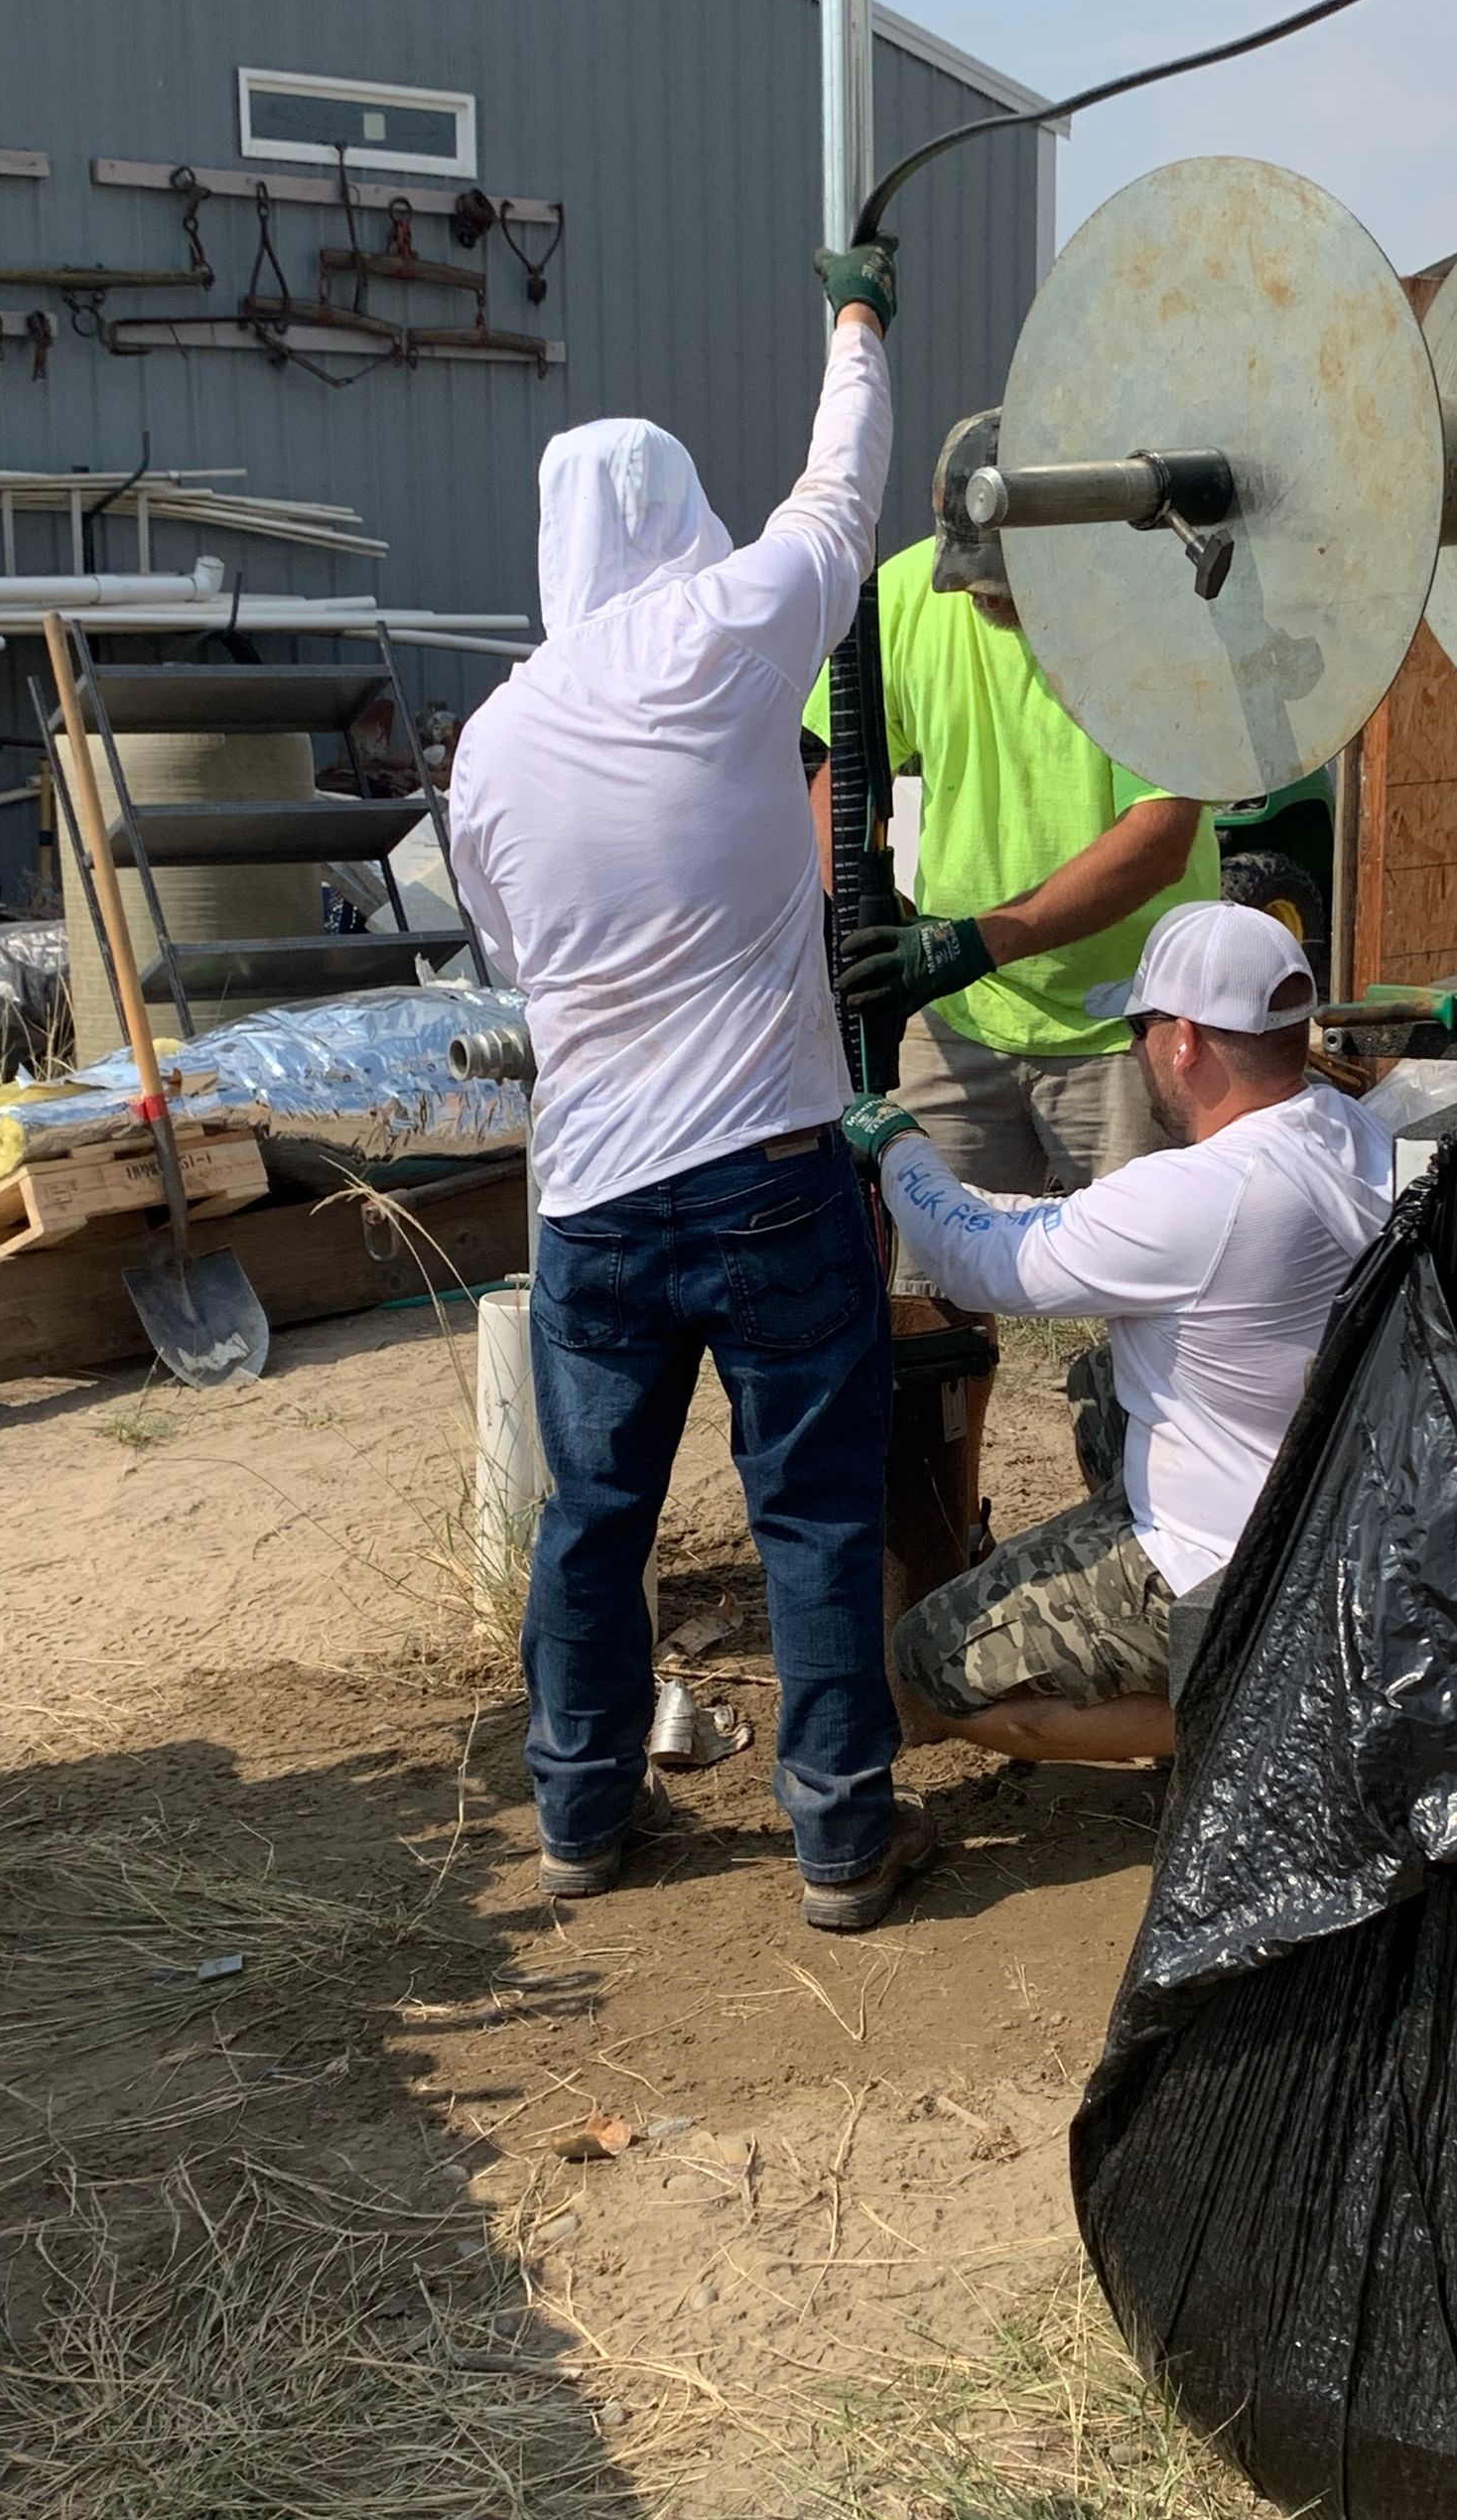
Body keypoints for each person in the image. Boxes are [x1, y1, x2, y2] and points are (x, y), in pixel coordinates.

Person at [448, 236, 935, 1932]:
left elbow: (516, 951)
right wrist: (857, 319)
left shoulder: (492, 740)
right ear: (673, 520)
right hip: (770, 1170)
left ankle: (581, 1817)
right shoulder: (729, 634)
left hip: (591, 1193)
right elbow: (843, 486)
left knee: (594, 1519)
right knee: (811, 1507)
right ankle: (840, 1841)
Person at [842, 902, 1393, 1766]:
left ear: (1184, 1042)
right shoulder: (1346, 1127)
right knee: (1106, 1384)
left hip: (1239, 1563)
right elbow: (1060, 1229)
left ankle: (1269, 1722)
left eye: (1139, 1032)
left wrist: (897, 1143)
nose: (1136, 1055)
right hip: (1337, 1522)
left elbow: (976, 1264)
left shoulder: (1206, 1191)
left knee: (926, 1663)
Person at [804, 409, 1221, 1287]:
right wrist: (860, 896)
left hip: (1127, 1023)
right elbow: (841, 766)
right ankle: (946, 1426)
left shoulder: (1142, 617)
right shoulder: (907, 595)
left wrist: (973, 940)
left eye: (1008, 585)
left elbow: (1159, 840)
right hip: (960, 1022)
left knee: (1149, 1292)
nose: (987, 600)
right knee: (931, 1293)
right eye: (974, 580)